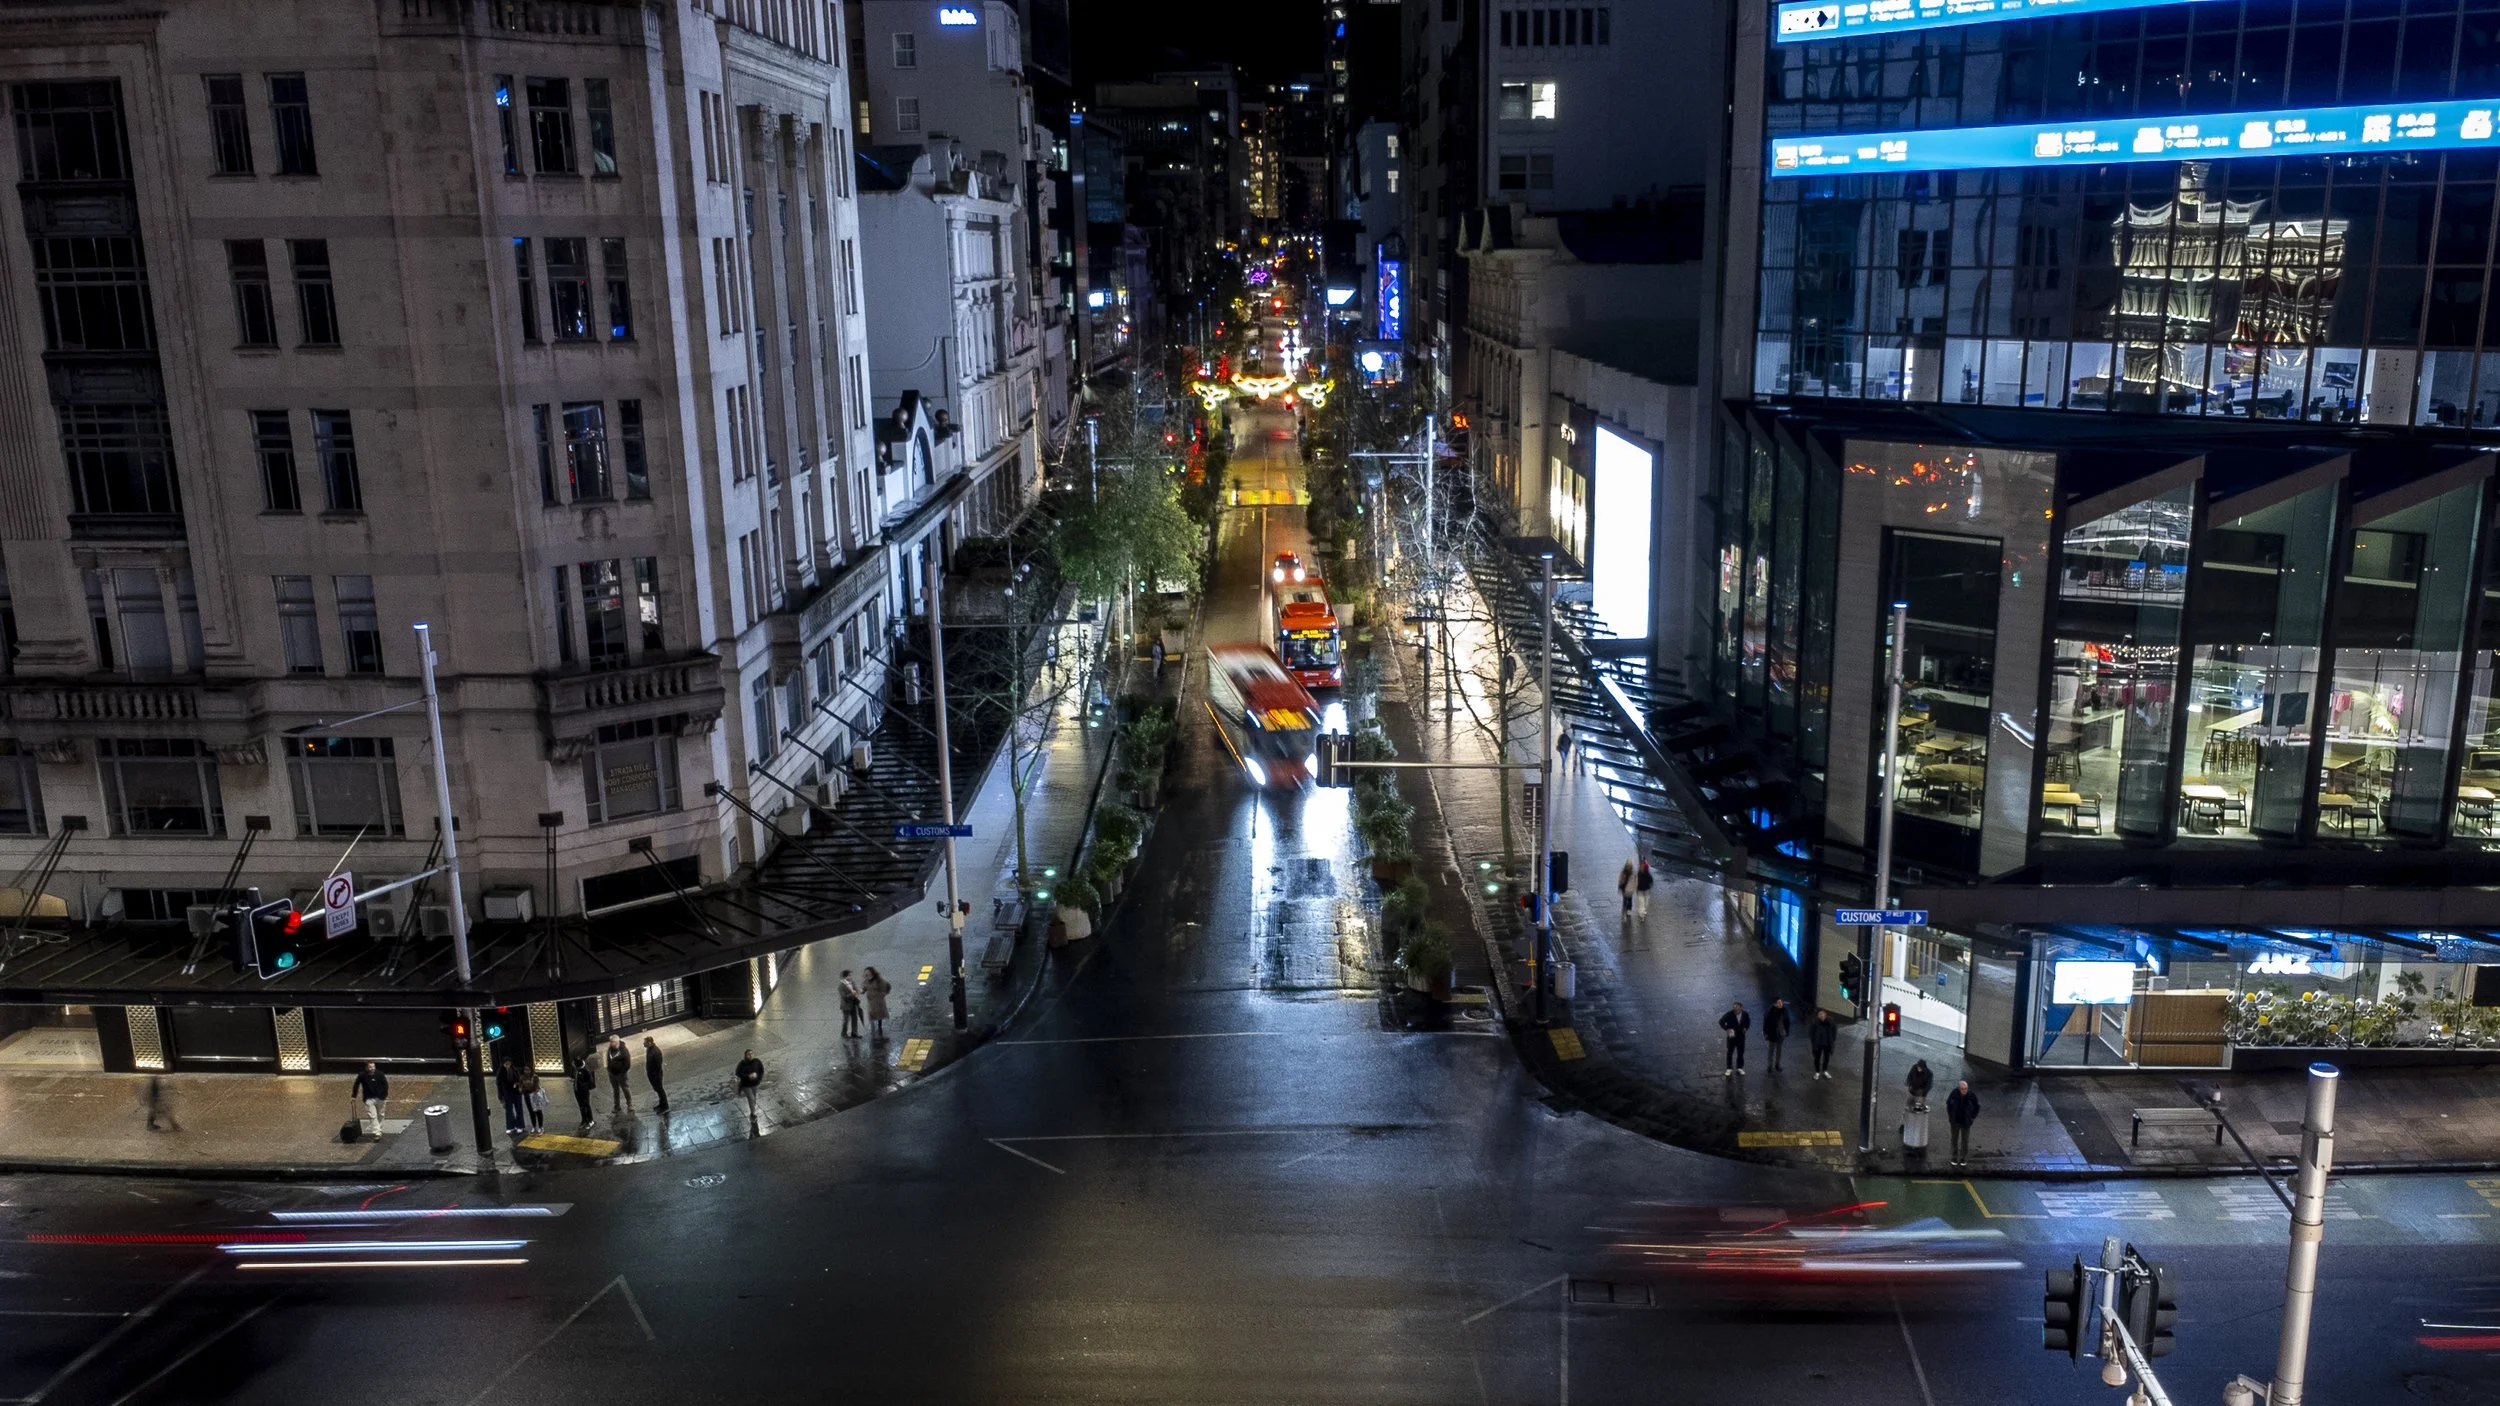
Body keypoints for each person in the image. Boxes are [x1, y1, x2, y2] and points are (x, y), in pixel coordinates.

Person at [1945, 1079, 1981, 1166]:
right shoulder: (1954, 1094)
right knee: (1954, 1140)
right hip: (1955, 1121)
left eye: (1966, 1088)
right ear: (1959, 1088)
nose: (1964, 1090)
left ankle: (1963, 1158)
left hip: (1966, 1122)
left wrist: (1972, 1117)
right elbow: (1949, 1105)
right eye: (1962, 1089)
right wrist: (1951, 1117)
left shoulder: (1971, 1096)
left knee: (1965, 1141)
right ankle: (1954, 1156)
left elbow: (1977, 1107)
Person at [350, 1061, 389, 1139]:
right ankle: (377, 1132)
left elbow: (385, 1085)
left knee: (381, 1114)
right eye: (370, 1067)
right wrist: (354, 1096)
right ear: (367, 1067)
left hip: (380, 1098)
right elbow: (356, 1085)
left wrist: (384, 1095)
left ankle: (379, 1129)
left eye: (373, 1067)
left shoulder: (380, 1074)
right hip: (369, 1098)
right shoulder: (362, 1075)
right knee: (372, 1116)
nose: (372, 1069)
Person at [1718, 1000, 1750, 1076]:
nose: (1734, 1008)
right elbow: (1721, 1021)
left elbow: (1748, 1022)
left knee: (1740, 1053)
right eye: (1733, 1006)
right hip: (1732, 1037)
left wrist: (1746, 1028)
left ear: (1740, 1007)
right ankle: (1729, 1068)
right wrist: (1726, 1029)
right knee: (1730, 1053)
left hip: (1741, 1037)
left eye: (1736, 1006)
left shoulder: (1745, 1014)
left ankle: (1740, 1067)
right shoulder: (1729, 1014)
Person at [495, 1058, 525, 1137]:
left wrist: (517, 1084)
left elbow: (519, 1080)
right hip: (507, 1094)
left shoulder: (514, 1070)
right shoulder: (501, 1072)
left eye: (509, 1063)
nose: (508, 1065)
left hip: (516, 1092)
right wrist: (500, 1097)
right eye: (506, 1064)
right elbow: (499, 1085)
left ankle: (519, 1125)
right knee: (509, 1110)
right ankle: (510, 1126)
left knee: (518, 1109)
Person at [605, 1035, 634, 1115]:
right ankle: (616, 1106)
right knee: (615, 1090)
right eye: (610, 1042)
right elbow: (608, 1058)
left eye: (612, 1042)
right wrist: (609, 1069)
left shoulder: (623, 1051)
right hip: (612, 1074)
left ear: (617, 1042)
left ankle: (630, 1104)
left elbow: (627, 1064)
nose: (611, 1044)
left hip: (621, 1075)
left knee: (625, 1088)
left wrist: (622, 1072)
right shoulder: (610, 1049)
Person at [863, 967, 893, 1039]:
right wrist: (862, 991)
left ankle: (880, 1029)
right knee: (871, 1014)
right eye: (866, 973)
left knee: (879, 1015)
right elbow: (865, 988)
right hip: (871, 1002)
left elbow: (887, 986)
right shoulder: (866, 981)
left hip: (879, 1002)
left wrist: (883, 994)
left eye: (868, 972)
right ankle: (873, 1030)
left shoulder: (879, 980)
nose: (867, 974)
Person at [735, 1049, 766, 1122]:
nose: (750, 1055)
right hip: (746, 1085)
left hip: (755, 1084)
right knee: (751, 1098)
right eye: (749, 1054)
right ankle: (753, 1114)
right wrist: (748, 1076)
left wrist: (759, 1078)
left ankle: (753, 1109)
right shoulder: (742, 1064)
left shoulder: (757, 1062)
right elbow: (738, 1073)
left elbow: (761, 1070)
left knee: (754, 1097)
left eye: (752, 1054)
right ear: (745, 1055)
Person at [1762, 998, 1792, 1073]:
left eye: (1781, 1002)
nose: (1780, 1004)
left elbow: (1787, 1021)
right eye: (1778, 1003)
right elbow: (1765, 1023)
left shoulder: (1785, 1010)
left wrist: (1787, 1031)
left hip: (1782, 1033)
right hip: (1772, 1033)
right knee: (1771, 1049)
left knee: (1779, 1049)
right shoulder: (1770, 1011)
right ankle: (1769, 1066)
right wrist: (1765, 1033)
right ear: (1774, 1004)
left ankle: (1777, 1064)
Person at [571, 1055, 599, 1130]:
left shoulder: (585, 1070)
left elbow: (590, 1082)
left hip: (584, 1091)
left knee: (586, 1105)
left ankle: (590, 1120)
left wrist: (583, 1085)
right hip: (577, 1091)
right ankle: (584, 1120)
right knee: (581, 1106)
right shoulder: (576, 1070)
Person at [1808, 1008, 1837, 1079]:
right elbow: (1811, 1033)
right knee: (1817, 1058)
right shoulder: (1814, 1022)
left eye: (1823, 1014)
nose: (1821, 1015)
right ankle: (1817, 1072)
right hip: (1818, 1044)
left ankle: (1825, 1070)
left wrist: (1832, 1039)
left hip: (1827, 1043)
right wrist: (1814, 1041)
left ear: (1825, 1014)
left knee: (1826, 1058)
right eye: (1820, 1014)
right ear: (1817, 1016)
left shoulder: (1830, 1021)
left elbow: (1834, 1030)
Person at [643, 1034, 669, 1114]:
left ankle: (665, 1106)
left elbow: (658, 1065)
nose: (644, 1044)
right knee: (657, 1090)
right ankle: (661, 1104)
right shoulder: (649, 1050)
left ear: (649, 1043)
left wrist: (654, 1074)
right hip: (652, 1074)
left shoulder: (655, 1052)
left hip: (655, 1075)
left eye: (645, 1043)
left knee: (660, 1089)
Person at [839, 970, 864, 1040]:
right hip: (846, 1005)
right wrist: (852, 994)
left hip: (853, 1004)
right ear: (845, 976)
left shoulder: (852, 982)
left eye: (851, 975)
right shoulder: (841, 986)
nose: (851, 977)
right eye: (849, 975)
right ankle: (844, 1034)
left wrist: (858, 991)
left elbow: (856, 989)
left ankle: (854, 1033)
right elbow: (844, 997)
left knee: (854, 1019)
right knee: (846, 1020)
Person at [520, 1066, 546, 1133]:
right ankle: (534, 1126)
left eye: (528, 1069)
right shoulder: (522, 1077)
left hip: (534, 1096)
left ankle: (540, 1127)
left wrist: (527, 1089)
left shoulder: (535, 1077)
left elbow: (535, 1087)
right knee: (531, 1112)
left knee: (538, 1111)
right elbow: (521, 1087)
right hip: (527, 1096)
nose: (527, 1071)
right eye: (525, 1070)